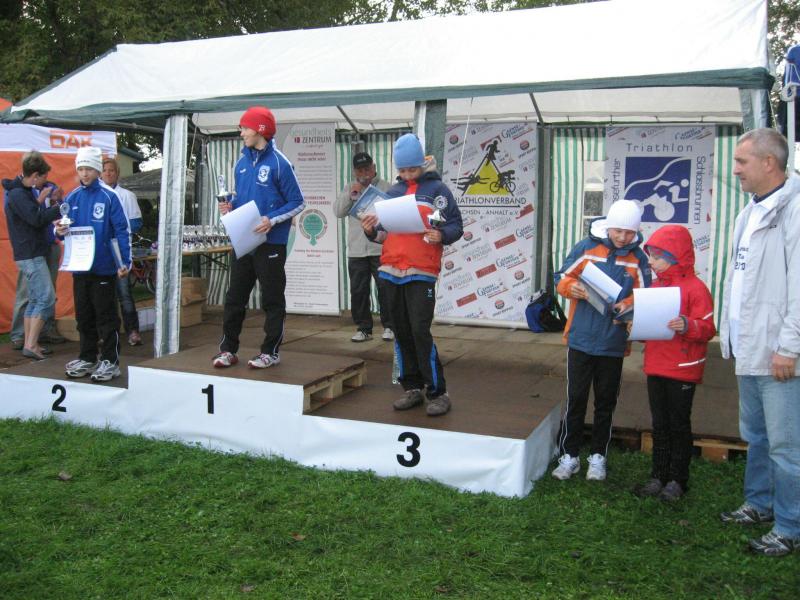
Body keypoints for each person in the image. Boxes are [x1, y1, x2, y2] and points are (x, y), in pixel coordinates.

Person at [718, 128, 800, 557]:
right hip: (750, 347)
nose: (735, 170)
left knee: (786, 445)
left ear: (770, 162)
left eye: (742, 161)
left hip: (777, 352)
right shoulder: (748, 211)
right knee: (757, 435)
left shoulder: (794, 210)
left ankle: (789, 526)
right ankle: (759, 503)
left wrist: (790, 346)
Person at [361, 133, 463, 416]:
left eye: (411, 169)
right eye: (402, 170)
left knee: (419, 330)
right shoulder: (392, 192)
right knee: (401, 331)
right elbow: (382, 234)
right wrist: (370, 230)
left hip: (421, 271)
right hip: (390, 270)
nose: (406, 175)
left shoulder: (438, 190)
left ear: (421, 164)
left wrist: (441, 234)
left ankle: (438, 392)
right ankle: (412, 387)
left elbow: (456, 225)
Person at [551, 199, 651, 481]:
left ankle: (598, 456)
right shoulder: (586, 248)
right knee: (576, 398)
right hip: (581, 338)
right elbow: (561, 276)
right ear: (608, 227)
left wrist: (628, 306)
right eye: (618, 231)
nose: (623, 237)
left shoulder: (638, 259)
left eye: (629, 232)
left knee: (605, 402)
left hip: (613, 343)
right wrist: (572, 287)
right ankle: (569, 455)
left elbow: (646, 295)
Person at [212, 106, 305, 369]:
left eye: (245, 127)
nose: (241, 133)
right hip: (244, 241)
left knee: (272, 300)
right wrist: (230, 206)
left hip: (271, 243)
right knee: (234, 298)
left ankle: (270, 352)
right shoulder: (241, 163)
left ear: (260, 129)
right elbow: (243, 199)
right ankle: (228, 350)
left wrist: (271, 219)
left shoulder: (280, 163)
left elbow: (298, 202)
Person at [636, 225, 715, 501]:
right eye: (650, 256)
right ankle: (658, 476)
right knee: (660, 424)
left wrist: (688, 325)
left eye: (657, 257)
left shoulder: (696, 289)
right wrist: (635, 327)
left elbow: (708, 328)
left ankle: (678, 480)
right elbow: (650, 327)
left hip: (683, 369)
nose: (651, 261)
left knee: (678, 424)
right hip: (656, 365)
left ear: (675, 256)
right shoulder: (656, 287)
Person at [57, 146, 131, 382]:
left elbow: (122, 230)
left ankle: (111, 361)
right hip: (80, 268)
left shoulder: (109, 196)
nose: (84, 173)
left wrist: (124, 261)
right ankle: (88, 357)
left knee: (106, 317)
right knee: (84, 317)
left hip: (104, 267)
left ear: (98, 170)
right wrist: (59, 231)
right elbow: (63, 229)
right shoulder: (72, 197)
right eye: (81, 169)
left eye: (89, 168)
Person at [2, 151, 62, 360]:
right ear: (35, 175)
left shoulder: (20, 192)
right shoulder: (18, 194)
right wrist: (58, 208)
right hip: (30, 253)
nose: (45, 181)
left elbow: (29, 216)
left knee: (35, 298)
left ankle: (30, 342)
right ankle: (31, 343)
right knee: (46, 298)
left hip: (29, 251)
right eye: (44, 177)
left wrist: (41, 201)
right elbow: (36, 220)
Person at [333, 151, 394, 343]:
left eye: (367, 168)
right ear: (354, 171)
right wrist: (351, 193)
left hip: (380, 248)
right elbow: (338, 212)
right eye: (360, 170)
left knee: (385, 288)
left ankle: (390, 326)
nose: (364, 173)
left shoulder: (387, 187)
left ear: (374, 167)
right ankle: (364, 328)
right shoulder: (350, 187)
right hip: (357, 250)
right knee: (358, 291)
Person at [101, 157, 143, 346]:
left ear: (117, 173)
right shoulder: (97, 195)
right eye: (104, 170)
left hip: (119, 250)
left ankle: (133, 330)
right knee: (104, 294)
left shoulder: (127, 195)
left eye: (111, 170)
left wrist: (117, 229)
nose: (108, 173)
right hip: (101, 252)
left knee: (124, 292)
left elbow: (136, 222)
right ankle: (107, 333)